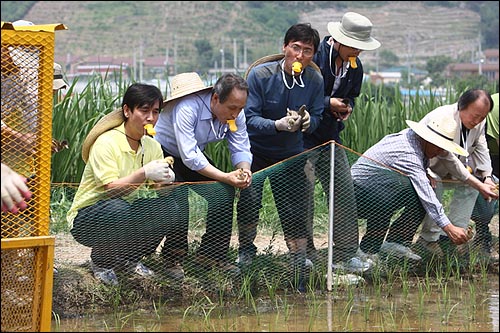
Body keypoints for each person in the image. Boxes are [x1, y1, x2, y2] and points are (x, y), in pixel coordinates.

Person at [236, 23, 323, 291]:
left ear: (313, 55)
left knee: (296, 206)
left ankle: (298, 256)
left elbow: (318, 115)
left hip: (291, 152)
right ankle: (246, 251)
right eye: (295, 47)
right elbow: (248, 119)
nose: (299, 55)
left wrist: (309, 121)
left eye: (307, 51)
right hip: (258, 150)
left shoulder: (314, 80)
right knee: (250, 199)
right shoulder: (260, 76)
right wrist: (277, 124)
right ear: (285, 47)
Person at [67, 83, 178, 286]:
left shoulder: (152, 146)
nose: (151, 118)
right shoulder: (106, 142)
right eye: (144, 111)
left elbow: (159, 192)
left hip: (124, 213)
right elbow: (111, 190)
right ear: (127, 111)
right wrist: (143, 172)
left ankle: (129, 259)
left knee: (169, 208)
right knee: (118, 208)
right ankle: (102, 263)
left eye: (155, 112)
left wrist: (167, 181)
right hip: (89, 218)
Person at [154, 72, 252, 278]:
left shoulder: (237, 113)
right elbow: (190, 157)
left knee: (223, 192)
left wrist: (244, 170)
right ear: (216, 99)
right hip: (166, 151)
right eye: (232, 108)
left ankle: (212, 256)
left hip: (194, 153)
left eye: (240, 108)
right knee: (178, 196)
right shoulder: (187, 108)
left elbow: (240, 145)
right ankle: (173, 257)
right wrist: (225, 175)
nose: (235, 114)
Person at [304, 12, 381, 273]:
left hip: (331, 135)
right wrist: (328, 103)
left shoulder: (355, 66)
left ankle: (347, 251)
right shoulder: (314, 60)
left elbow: (351, 97)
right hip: (304, 136)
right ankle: (306, 252)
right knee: (304, 192)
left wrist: (346, 107)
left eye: (361, 47)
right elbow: (301, 96)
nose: (358, 51)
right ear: (338, 40)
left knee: (343, 190)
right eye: (354, 45)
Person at [351, 113, 473, 259]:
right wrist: (448, 227)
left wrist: (425, 173)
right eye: (439, 147)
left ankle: (396, 242)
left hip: (377, 191)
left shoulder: (415, 141)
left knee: (416, 188)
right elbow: (426, 194)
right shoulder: (409, 152)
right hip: (355, 195)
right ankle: (369, 250)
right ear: (428, 139)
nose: (441, 152)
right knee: (409, 189)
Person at [416, 89, 498, 256]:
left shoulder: (479, 123)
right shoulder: (442, 116)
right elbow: (448, 158)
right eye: (475, 116)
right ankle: (429, 240)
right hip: (429, 168)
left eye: (482, 118)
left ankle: (452, 237)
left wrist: (487, 177)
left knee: (472, 187)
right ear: (462, 106)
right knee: (435, 183)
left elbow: (482, 148)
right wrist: (475, 180)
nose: (478, 121)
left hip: (457, 169)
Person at [469, 92, 499, 261]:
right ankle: (482, 236)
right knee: (486, 193)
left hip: (490, 152)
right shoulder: (496, 107)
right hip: (479, 154)